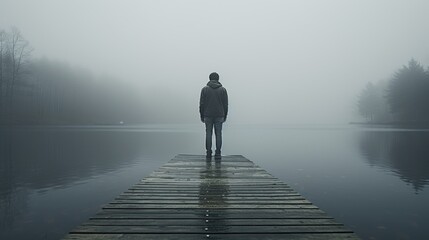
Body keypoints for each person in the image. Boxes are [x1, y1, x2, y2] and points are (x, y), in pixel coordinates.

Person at [199, 72, 228, 159]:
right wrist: (225, 115)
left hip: (207, 115)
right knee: (218, 134)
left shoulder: (204, 89)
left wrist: (201, 115)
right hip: (219, 115)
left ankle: (208, 152)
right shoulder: (223, 90)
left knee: (208, 134)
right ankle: (218, 153)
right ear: (218, 79)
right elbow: (225, 104)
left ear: (209, 79)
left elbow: (202, 104)